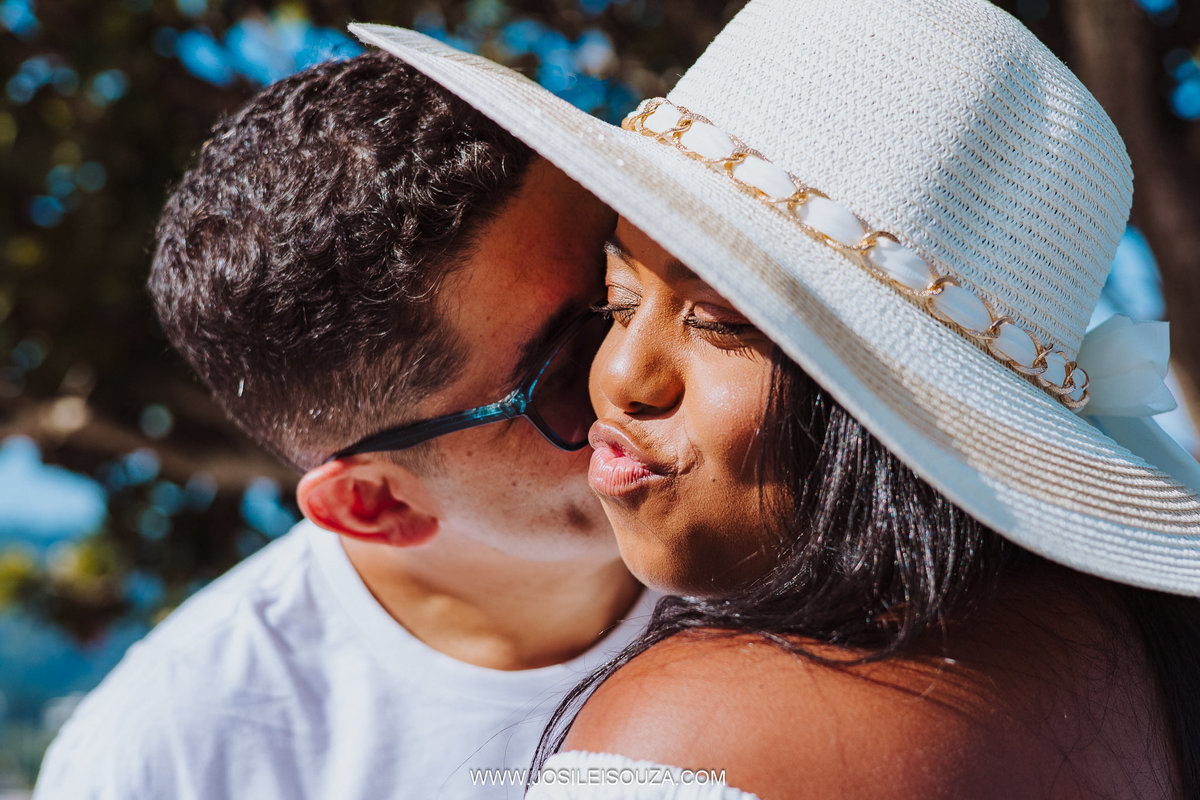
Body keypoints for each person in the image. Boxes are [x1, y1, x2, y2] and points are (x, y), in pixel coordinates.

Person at [351, 1, 1200, 797]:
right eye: (616, 302)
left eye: (718, 322)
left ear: (890, 406)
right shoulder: (1131, 669)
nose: (617, 378)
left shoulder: (701, 727)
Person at [33, 52, 655, 799]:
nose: (650, 364)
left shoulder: (811, 493)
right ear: (377, 504)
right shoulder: (172, 762)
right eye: (566, 367)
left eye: (633, 278)